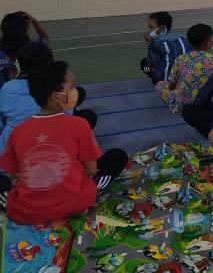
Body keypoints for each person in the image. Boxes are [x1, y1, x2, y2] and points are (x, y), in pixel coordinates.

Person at [0, 61, 128, 224]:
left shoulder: (18, 132)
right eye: (71, 87)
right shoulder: (78, 124)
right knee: (117, 157)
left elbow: (14, 178)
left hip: (28, 210)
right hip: (75, 204)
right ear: (55, 95)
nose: (75, 92)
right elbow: (91, 170)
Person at [155, 24, 213, 115]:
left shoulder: (181, 59)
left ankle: (178, 104)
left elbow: (172, 84)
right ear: (207, 42)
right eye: (211, 38)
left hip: (183, 106)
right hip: (207, 104)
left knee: (160, 85)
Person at [141, 11, 192, 85]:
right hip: (188, 78)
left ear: (162, 28)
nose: (149, 31)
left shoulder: (157, 43)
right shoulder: (183, 38)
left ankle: (157, 80)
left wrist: (149, 43)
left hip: (167, 84)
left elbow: (151, 63)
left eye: (151, 28)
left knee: (144, 64)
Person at [0, 11, 49, 86]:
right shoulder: (31, 48)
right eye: (27, 26)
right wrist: (34, 21)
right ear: (23, 30)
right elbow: (45, 39)